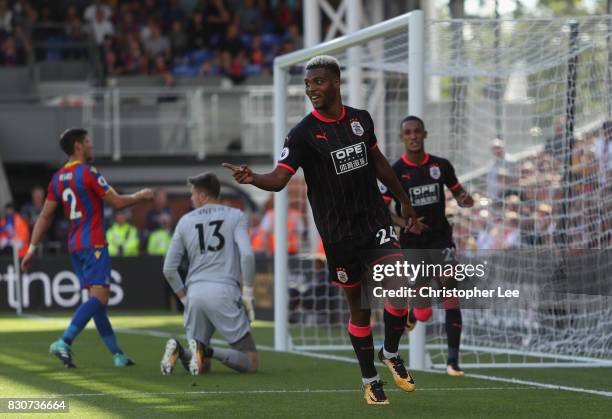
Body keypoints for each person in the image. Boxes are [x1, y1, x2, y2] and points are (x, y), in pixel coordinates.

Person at [223, 55, 424, 405]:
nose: (311, 89)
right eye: (307, 84)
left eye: (318, 82)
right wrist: (254, 177)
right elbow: (280, 179)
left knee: (399, 283)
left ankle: (390, 351)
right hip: (338, 235)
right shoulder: (302, 134)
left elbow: (378, 163)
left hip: (375, 222)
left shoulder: (361, 120)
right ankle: (370, 380)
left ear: (335, 82)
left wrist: (403, 200)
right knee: (359, 309)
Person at [20, 128, 154, 368]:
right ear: (78, 146)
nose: (92, 145)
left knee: (97, 300)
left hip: (75, 246)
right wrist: (141, 195)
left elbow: (44, 216)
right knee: (100, 296)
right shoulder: (88, 173)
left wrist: (31, 248)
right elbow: (118, 202)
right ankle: (64, 341)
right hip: (93, 244)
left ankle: (117, 355)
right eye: (88, 141)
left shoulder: (57, 178)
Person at [382, 115, 474, 377]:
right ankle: (414, 310)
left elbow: (458, 192)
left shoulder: (441, 166)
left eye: (417, 131)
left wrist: (465, 199)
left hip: (441, 239)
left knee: (449, 290)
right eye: (408, 132)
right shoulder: (395, 171)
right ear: (402, 137)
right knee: (423, 314)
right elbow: (382, 208)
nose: (413, 136)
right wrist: (405, 223)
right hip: (413, 243)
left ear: (425, 134)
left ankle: (453, 361)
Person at [161, 172, 258, 375]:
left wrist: (185, 298)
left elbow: (169, 268)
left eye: (193, 194)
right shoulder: (235, 215)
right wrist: (247, 292)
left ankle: (181, 351)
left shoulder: (185, 221)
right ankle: (208, 350)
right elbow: (247, 255)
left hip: (195, 293)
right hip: (224, 291)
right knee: (250, 362)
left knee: (201, 367)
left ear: (203, 195)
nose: (191, 198)